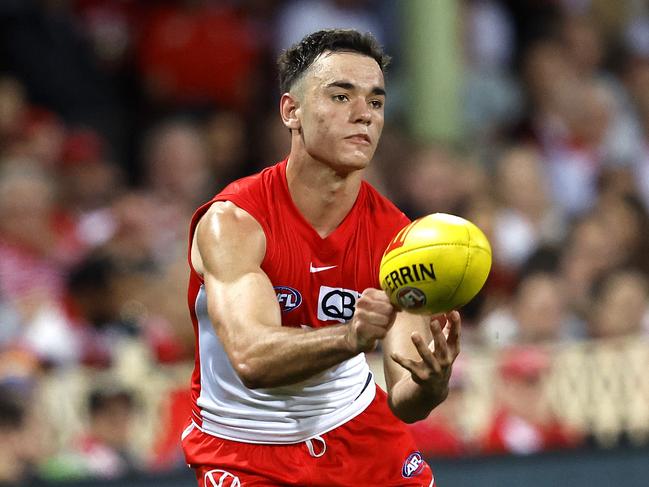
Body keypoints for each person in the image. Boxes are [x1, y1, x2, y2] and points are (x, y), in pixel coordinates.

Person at [181, 29, 461, 486]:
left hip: (355, 428)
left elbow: (405, 398)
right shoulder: (234, 222)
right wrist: (351, 336)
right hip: (244, 447)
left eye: (375, 102)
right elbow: (252, 359)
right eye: (340, 96)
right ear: (291, 111)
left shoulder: (398, 238)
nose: (363, 116)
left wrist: (431, 382)